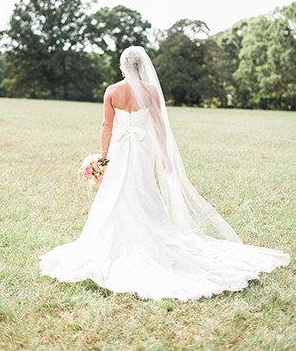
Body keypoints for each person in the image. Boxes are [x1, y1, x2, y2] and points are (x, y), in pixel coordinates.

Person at [39, 46, 290, 301]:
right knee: (143, 187)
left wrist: (103, 156)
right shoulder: (151, 91)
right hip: (142, 146)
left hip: (119, 146)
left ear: (123, 65)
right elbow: (158, 124)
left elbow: (106, 124)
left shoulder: (112, 91)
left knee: (118, 189)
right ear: (141, 66)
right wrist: (164, 154)